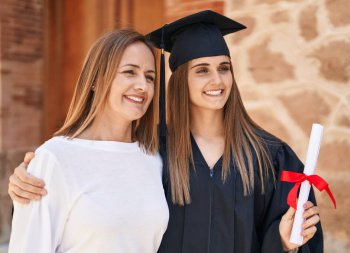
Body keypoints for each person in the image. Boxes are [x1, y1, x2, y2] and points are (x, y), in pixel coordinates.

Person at [8, 10, 322, 253]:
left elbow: (294, 238)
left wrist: (282, 240)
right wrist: (27, 177)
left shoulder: (271, 157)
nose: (217, 80)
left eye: (224, 68)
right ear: (180, 80)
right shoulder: (153, 149)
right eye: (202, 70)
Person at [7, 29, 169, 253]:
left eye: (149, 77)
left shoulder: (155, 158)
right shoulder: (55, 158)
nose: (143, 85)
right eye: (130, 72)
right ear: (96, 80)